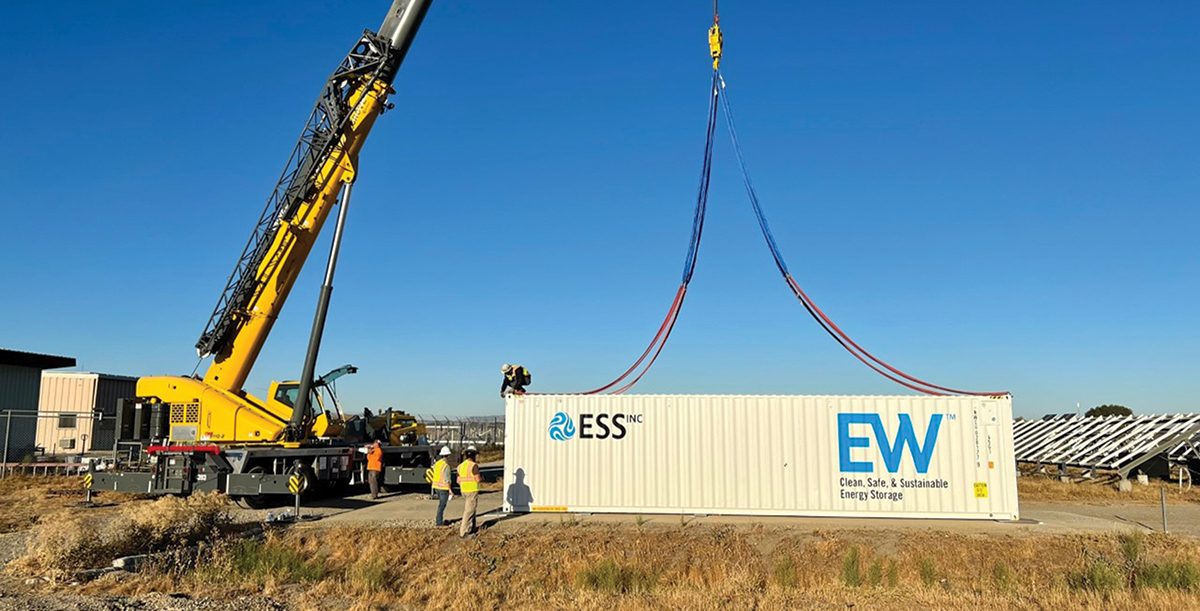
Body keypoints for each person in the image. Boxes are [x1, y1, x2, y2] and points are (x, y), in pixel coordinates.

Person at [457, 446, 482, 538]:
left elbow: (458, 480)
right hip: (472, 490)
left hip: (463, 490)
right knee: (469, 511)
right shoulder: (474, 466)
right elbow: (477, 479)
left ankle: (472, 527)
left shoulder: (460, 466)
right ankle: (464, 532)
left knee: (471, 509)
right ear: (474, 455)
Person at [431, 446, 454, 526]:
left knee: (441, 505)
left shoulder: (437, 464)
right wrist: (450, 490)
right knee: (442, 505)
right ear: (448, 456)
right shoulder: (446, 466)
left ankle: (439, 521)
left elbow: (433, 469)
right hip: (443, 488)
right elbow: (447, 479)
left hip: (436, 487)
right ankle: (439, 522)